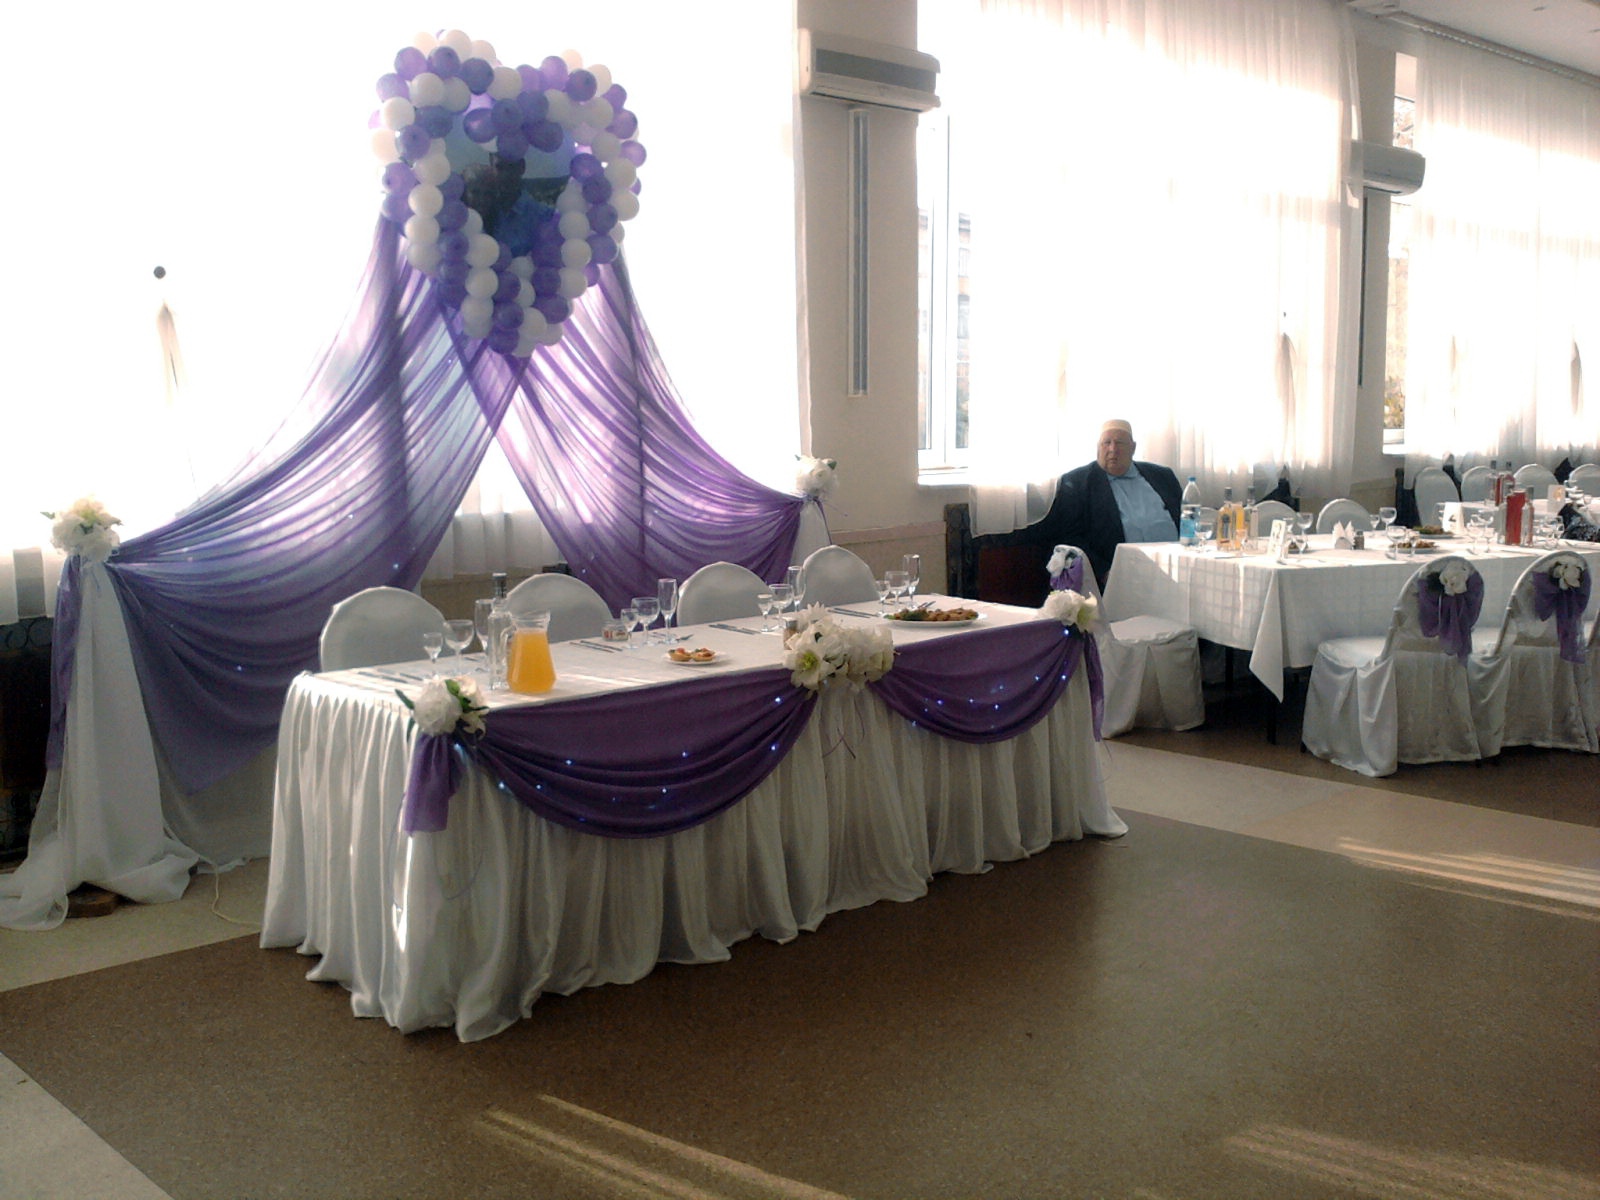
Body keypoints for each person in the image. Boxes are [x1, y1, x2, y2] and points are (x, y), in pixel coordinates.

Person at [1034, 419, 1183, 590]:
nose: (1113, 449)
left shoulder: (1162, 476)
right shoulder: (1078, 482)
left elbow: (1186, 520)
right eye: (1107, 443)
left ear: (1133, 447)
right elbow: (1069, 537)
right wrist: (1104, 572)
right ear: (1098, 447)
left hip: (1177, 568)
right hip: (1119, 577)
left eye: (1120, 443)